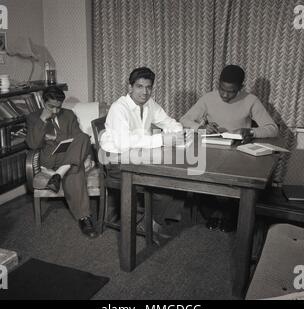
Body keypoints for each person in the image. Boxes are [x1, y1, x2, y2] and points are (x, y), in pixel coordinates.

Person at [180, 64, 279, 232]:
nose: (225, 95)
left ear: (240, 88)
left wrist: (252, 131)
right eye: (222, 89)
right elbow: (184, 119)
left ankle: (230, 216)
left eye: (231, 91)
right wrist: (200, 128)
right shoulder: (208, 98)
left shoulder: (251, 100)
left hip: (238, 153)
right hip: (211, 150)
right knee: (199, 175)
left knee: (238, 185)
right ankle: (211, 214)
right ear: (218, 84)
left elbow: (272, 128)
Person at [99, 67, 183, 237]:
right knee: (163, 186)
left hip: (139, 155)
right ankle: (151, 224)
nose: (144, 92)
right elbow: (123, 144)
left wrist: (177, 132)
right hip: (116, 162)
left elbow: (169, 122)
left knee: (177, 176)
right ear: (130, 87)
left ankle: (152, 221)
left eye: (149, 87)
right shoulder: (119, 108)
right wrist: (162, 140)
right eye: (139, 86)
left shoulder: (149, 103)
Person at [25, 86, 98, 238]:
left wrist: (89, 156)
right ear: (43, 102)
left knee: (84, 138)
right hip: (51, 158)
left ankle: (58, 176)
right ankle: (84, 218)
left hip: (70, 155)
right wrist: (43, 120)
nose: (55, 111)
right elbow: (33, 145)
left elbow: (80, 139)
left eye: (58, 107)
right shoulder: (34, 117)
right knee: (76, 166)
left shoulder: (69, 114)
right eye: (50, 106)